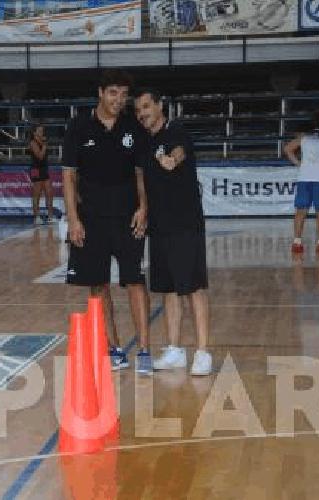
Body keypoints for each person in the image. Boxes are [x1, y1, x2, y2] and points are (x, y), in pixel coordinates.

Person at [61, 69, 152, 373]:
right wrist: (73, 219)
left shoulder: (132, 127)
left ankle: (144, 351)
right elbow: (69, 176)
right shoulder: (78, 126)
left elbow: (141, 173)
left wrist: (144, 207)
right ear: (100, 93)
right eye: (113, 93)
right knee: (98, 285)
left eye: (124, 94)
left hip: (128, 218)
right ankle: (113, 348)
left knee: (136, 282)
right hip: (91, 220)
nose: (119, 100)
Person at [133, 88, 213, 376]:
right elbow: (141, 177)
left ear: (159, 105)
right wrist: (143, 207)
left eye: (146, 106)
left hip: (185, 223)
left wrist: (172, 160)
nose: (142, 113)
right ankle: (175, 350)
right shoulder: (144, 142)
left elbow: (180, 151)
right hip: (160, 225)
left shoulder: (176, 131)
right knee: (167, 289)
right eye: (138, 110)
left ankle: (203, 352)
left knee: (192, 287)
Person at [284, 109, 319, 255]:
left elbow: (288, 149)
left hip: (304, 177)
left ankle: (297, 243)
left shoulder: (304, 137)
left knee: (300, 211)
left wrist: (298, 163)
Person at [29, 124, 53, 224]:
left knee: (49, 193)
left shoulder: (42, 142)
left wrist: (44, 144)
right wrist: (44, 145)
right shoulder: (33, 143)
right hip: (35, 170)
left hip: (44, 169)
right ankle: (36, 217)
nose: (41, 132)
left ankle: (50, 217)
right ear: (34, 133)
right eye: (39, 131)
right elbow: (40, 156)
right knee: (37, 194)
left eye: (42, 130)